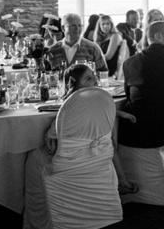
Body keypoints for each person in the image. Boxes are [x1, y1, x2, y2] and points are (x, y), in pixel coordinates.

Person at [31, 64, 138, 194]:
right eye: (88, 79)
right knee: (110, 144)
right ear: (75, 84)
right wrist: (51, 134)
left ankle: (121, 181)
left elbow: (55, 131)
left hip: (83, 151)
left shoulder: (86, 100)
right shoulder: (73, 105)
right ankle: (122, 181)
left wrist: (119, 113)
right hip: (86, 152)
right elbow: (59, 126)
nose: (95, 80)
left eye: (93, 75)